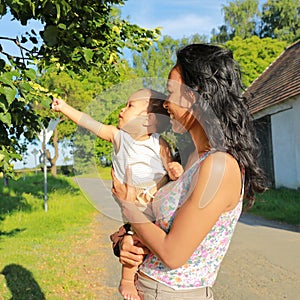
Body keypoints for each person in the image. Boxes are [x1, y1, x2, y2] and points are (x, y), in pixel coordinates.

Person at [111, 44, 266, 300]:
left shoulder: (220, 165)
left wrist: (126, 205)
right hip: (149, 288)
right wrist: (125, 242)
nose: (166, 104)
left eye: (171, 93)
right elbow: (154, 225)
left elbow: (173, 254)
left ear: (195, 95)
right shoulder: (192, 158)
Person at [51, 88, 183, 300]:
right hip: (135, 202)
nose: (122, 109)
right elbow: (89, 122)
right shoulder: (118, 136)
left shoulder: (159, 143)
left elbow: (171, 166)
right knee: (133, 239)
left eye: (130, 106)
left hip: (156, 196)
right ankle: (127, 280)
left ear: (148, 120)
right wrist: (64, 108)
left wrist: (176, 169)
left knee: (154, 240)